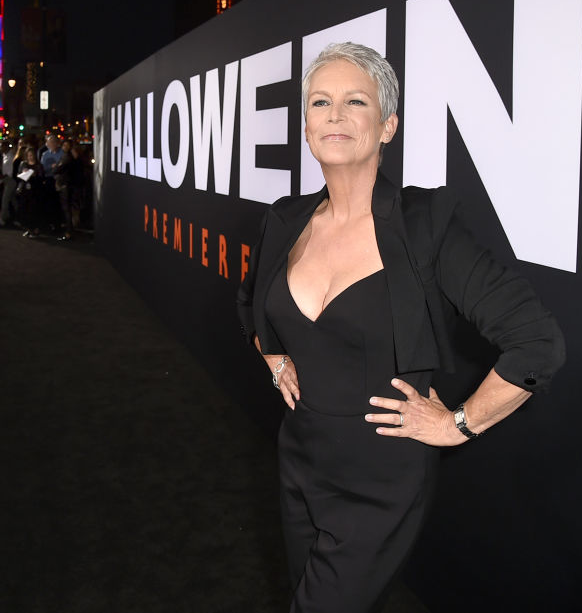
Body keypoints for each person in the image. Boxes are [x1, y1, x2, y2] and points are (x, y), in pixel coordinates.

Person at [235, 42, 565, 613]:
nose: (334, 115)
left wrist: (460, 424)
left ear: (387, 126)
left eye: (354, 101)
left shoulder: (424, 226)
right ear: (307, 124)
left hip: (382, 481)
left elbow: (537, 343)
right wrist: (273, 355)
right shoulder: (285, 219)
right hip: (299, 462)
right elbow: (250, 304)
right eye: (320, 102)